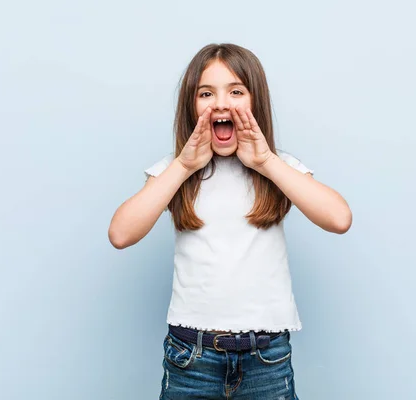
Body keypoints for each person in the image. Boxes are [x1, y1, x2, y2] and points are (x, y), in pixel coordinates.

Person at [108, 43, 352, 399]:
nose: (221, 103)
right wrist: (184, 165)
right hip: (191, 358)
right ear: (191, 107)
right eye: (206, 93)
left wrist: (266, 161)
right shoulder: (175, 171)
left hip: (266, 358)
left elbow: (339, 218)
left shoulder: (277, 166)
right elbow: (120, 233)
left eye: (236, 91)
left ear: (256, 102)